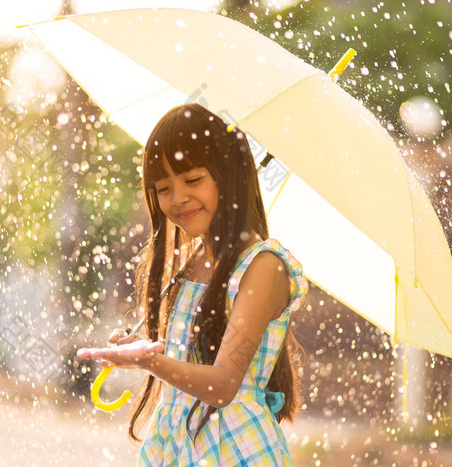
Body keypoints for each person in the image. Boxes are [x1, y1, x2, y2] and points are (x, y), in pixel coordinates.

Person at [76, 103, 309, 466]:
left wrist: (150, 361)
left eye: (193, 180)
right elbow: (190, 357)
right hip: (177, 442)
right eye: (163, 187)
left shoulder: (263, 267)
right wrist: (145, 350)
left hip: (233, 447)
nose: (177, 198)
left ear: (229, 176)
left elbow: (222, 384)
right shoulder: (191, 264)